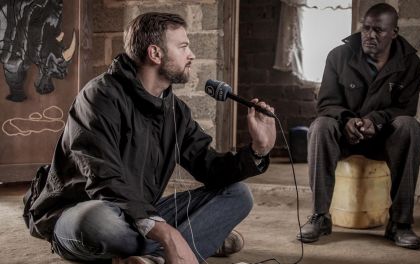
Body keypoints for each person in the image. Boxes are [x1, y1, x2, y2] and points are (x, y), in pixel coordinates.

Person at [23, 12, 276, 264]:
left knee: (238, 194)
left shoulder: (176, 111)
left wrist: (258, 150)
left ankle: (155, 256)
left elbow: (209, 167)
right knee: (98, 222)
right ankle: (195, 240)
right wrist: (167, 233)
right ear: (155, 54)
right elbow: (103, 179)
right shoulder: (98, 97)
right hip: (79, 212)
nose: (192, 55)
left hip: (139, 214)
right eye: (183, 47)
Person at [297, 3, 420, 250]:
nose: (370, 35)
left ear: (394, 32)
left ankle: (400, 223)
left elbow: (405, 109)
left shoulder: (410, 64)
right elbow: (326, 104)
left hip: (384, 138)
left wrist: (376, 120)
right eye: (366, 28)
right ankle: (320, 216)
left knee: (410, 127)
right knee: (320, 126)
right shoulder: (338, 56)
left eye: (378, 30)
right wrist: (346, 120)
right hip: (344, 135)